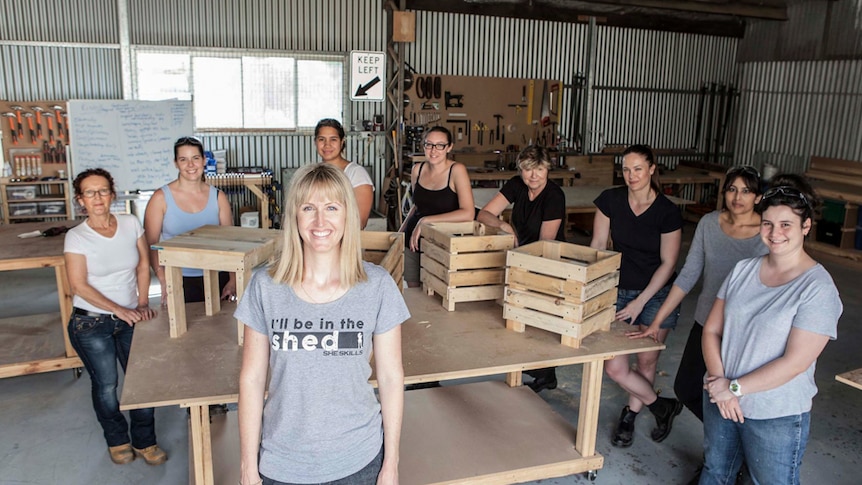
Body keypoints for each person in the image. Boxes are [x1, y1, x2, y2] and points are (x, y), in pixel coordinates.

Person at [237, 163, 409, 485]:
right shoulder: (265, 287)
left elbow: (390, 377)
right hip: (282, 463)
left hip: (359, 460)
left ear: (347, 215)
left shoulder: (377, 286)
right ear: (295, 216)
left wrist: (392, 463)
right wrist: (248, 466)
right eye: (308, 208)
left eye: (331, 207)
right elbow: (252, 378)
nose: (320, 221)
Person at [700, 174, 842, 485]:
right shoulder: (743, 270)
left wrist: (733, 388)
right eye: (768, 223)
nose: (775, 233)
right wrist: (719, 384)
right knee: (715, 473)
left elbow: (796, 363)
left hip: (774, 415)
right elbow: (711, 330)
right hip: (720, 399)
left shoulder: (817, 289)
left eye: (786, 224)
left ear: (806, 226)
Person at [64, 168, 167, 466]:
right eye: (90, 193)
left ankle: (145, 441)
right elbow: (78, 284)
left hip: (132, 318)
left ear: (112, 194)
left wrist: (143, 301)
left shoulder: (130, 222)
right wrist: (120, 310)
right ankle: (117, 440)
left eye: (103, 191)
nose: (98, 198)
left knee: (141, 381)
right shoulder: (76, 237)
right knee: (107, 385)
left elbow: (141, 265)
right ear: (80, 200)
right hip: (91, 323)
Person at [590, 144, 684, 447]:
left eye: (638, 169)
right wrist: (595, 288)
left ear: (652, 169)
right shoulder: (610, 200)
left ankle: (629, 416)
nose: (631, 175)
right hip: (619, 289)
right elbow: (598, 245)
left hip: (657, 295)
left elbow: (669, 263)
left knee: (646, 362)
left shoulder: (667, 212)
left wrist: (640, 302)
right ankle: (660, 406)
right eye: (626, 169)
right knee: (615, 367)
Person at [477, 145, 565, 392]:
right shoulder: (517, 185)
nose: (533, 176)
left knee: (539, 319)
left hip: (547, 262)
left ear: (547, 168)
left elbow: (545, 244)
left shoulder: (554, 196)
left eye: (539, 169)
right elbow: (484, 214)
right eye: (527, 170)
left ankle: (546, 372)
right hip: (520, 258)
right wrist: (504, 226)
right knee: (518, 316)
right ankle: (541, 372)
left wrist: (521, 264)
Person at [144, 136, 236, 304]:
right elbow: (151, 244)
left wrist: (233, 279)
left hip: (217, 277)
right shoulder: (160, 198)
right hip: (178, 279)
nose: (190, 165)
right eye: (183, 159)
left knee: (219, 328)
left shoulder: (218, 197)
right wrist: (163, 279)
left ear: (204, 160)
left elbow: (230, 242)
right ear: (176, 163)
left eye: (195, 158)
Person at [400, 126, 474, 287]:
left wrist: (426, 220)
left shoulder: (457, 170)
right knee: (414, 293)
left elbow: (468, 213)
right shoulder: (417, 170)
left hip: (443, 244)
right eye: (429, 144)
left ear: (449, 147)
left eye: (440, 145)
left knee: (437, 293)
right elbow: (416, 207)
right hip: (414, 240)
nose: (434, 150)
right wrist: (400, 233)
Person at [314, 118, 374, 228]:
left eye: (333, 139)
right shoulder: (312, 174)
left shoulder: (356, 174)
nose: (327, 145)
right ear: (315, 142)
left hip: (345, 242)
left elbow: (360, 222)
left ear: (342, 142)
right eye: (322, 139)